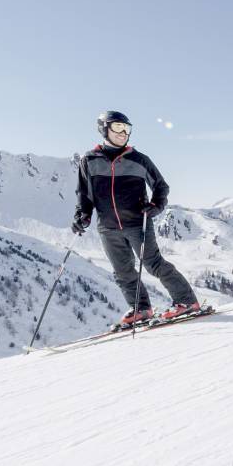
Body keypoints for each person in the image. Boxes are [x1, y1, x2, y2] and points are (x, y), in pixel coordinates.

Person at [71, 110, 200, 325]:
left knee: (153, 264)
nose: (124, 133)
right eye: (118, 128)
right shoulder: (89, 160)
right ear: (104, 129)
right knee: (122, 271)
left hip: (137, 223)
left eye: (127, 129)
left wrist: (156, 206)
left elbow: (161, 186)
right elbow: (84, 194)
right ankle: (140, 309)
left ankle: (186, 301)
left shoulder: (139, 160)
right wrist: (82, 215)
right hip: (107, 226)